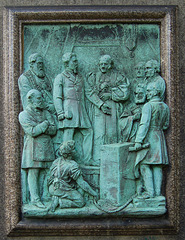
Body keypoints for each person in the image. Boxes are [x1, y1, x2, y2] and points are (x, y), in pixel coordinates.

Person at [86, 55, 129, 164]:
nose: (103, 66)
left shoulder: (118, 76)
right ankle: (98, 159)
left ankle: (112, 159)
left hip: (113, 107)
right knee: (99, 133)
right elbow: (88, 92)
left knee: (112, 133)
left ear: (110, 65)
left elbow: (125, 93)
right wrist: (99, 95)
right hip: (98, 109)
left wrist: (110, 94)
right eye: (101, 64)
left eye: (105, 64)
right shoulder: (93, 76)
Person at [19, 89, 57, 208]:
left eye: (42, 98)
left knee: (49, 171)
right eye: (39, 98)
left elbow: (54, 130)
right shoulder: (24, 115)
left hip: (46, 146)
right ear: (30, 99)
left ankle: (47, 195)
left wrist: (42, 127)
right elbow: (32, 131)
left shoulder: (46, 113)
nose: (42, 101)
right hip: (33, 147)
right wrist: (45, 124)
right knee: (34, 172)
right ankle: (35, 199)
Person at [53, 52, 93, 164]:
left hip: (81, 110)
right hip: (68, 110)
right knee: (68, 135)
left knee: (88, 131)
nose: (76, 63)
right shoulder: (60, 77)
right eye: (74, 61)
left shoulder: (80, 77)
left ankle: (87, 160)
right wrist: (60, 113)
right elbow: (57, 96)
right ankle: (65, 161)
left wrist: (100, 104)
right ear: (67, 63)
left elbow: (89, 93)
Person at [133, 81, 170, 199]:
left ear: (156, 91)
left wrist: (138, 141)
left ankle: (150, 192)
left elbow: (144, 124)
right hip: (160, 137)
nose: (147, 93)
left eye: (149, 91)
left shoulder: (148, 106)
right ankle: (158, 193)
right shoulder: (165, 106)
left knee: (144, 164)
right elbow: (166, 125)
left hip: (149, 137)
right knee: (157, 165)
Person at [48, 140, 98, 211]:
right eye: (74, 148)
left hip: (52, 188)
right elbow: (82, 183)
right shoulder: (72, 165)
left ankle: (57, 197)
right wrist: (94, 193)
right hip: (61, 189)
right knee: (80, 202)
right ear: (71, 152)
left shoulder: (56, 161)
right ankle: (59, 201)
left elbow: (50, 177)